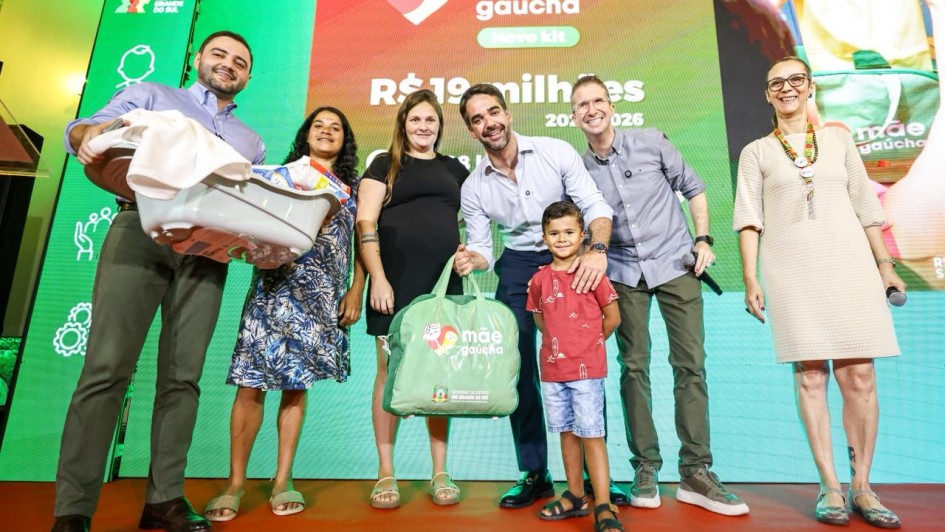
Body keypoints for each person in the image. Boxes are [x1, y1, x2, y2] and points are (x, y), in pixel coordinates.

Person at [53, 31, 265, 532]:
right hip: (139, 228)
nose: (228, 64)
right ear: (198, 58)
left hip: (207, 250)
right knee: (106, 368)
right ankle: (74, 509)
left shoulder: (251, 142)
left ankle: (164, 500)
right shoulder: (151, 95)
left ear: (248, 77)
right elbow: (85, 129)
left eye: (239, 62)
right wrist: (88, 136)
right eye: (219, 54)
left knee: (183, 377)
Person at [734, 56, 904, 528]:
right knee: (811, 377)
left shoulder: (838, 139)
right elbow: (749, 219)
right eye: (776, 83)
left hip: (850, 267)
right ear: (767, 95)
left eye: (796, 79)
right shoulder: (756, 152)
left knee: (860, 376)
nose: (786, 88)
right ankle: (830, 485)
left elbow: (866, 205)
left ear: (810, 87)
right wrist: (750, 278)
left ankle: (863, 486)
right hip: (791, 272)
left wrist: (885, 267)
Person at [570, 75, 750, 516]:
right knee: (633, 368)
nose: (592, 110)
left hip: (675, 263)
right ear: (574, 117)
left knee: (690, 365)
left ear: (612, 106)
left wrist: (703, 239)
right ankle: (645, 467)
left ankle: (696, 471)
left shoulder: (650, 141)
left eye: (598, 101)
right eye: (582, 105)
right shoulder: (577, 168)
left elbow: (694, 187)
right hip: (623, 273)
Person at [452, 83, 626, 509]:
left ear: (508, 114)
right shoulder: (474, 187)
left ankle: (594, 478)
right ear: (472, 131)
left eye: (494, 112)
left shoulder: (555, 151)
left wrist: (596, 251)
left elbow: (595, 206)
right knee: (519, 368)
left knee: (582, 363)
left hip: (567, 260)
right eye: (478, 119)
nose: (489, 123)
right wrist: (472, 258)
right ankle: (534, 472)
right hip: (516, 267)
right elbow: (484, 248)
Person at [202, 107, 363, 521]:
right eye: (318, 125)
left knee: (296, 386)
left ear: (345, 139)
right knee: (250, 384)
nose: (326, 131)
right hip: (273, 289)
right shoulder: (279, 177)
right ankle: (235, 483)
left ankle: (282, 479)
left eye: (336, 127)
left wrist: (356, 289)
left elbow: (362, 243)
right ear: (306, 134)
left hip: (321, 297)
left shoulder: (355, 188)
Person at [356, 89, 469, 508]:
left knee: (439, 372)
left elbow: (471, 220)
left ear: (440, 125)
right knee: (389, 371)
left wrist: (469, 253)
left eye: (430, 119)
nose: (423, 126)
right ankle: (386, 471)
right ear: (403, 123)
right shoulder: (383, 164)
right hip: (394, 283)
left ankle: (440, 471)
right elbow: (365, 222)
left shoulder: (455, 169)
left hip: (442, 286)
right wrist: (378, 279)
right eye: (416, 119)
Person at [526, 201, 623, 531]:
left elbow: (613, 318)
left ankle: (604, 504)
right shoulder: (539, 280)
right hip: (553, 373)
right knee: (566, 432)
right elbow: (541, 320)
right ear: (544, 237)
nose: (562, 239)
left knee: (592, 435)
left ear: (583, 236)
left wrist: (586, 346)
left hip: (586, 372)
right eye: (554, 233)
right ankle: (575, 495)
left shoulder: (592, 275)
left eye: (569, 232)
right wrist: (562, 348)